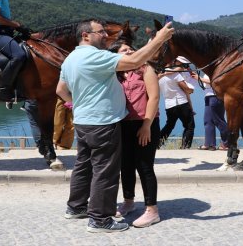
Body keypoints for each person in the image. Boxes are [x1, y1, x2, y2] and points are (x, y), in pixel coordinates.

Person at [56, 18, 173, 233]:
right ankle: (100, 220)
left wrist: (77, 104)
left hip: (83, 121)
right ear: (86, 36)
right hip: (102, 122)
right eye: (100, 32)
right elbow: (135, 60)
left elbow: (61, 90)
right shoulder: (96, 56)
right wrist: (158, 39)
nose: (105, 36)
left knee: (83, 165)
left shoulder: (70, 58)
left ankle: (76, 207)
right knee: (105, 171)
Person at [109, 40, 161, 228]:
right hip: (123, 124)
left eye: (131, 48)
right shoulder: (116, 74)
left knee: (145, 166)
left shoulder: (146, 68)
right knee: (126, 165)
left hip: (145, 122)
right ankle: (129, 202)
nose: (130, 50)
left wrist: (146, 125)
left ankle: (152, 210)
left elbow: (154, 97)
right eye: (124, 50)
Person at [157, 61, 195, 149]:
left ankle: (157, 143)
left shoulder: (159, 77)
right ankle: (185, 146)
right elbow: (185, 88)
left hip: (169, 104)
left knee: (169, 125)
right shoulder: (175, 74)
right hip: (181, 102)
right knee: (189, 126)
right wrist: (191, 90)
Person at [191, 73, 228, 151]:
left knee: (219, 121)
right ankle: (209, 144)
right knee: (208, 121)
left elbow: (214, 82)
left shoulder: (218, 69)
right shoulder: (207, 70)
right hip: (208, 96)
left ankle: (227, 143)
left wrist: (199, 78)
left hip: (216, 96)